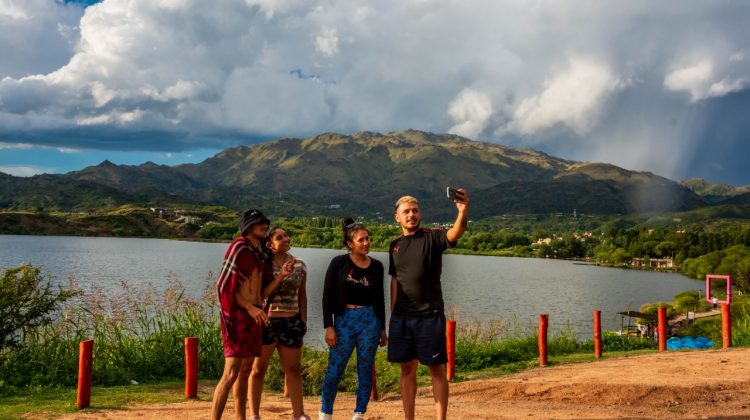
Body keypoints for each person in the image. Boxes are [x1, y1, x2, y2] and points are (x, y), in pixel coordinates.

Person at [387, 190, 469, 420]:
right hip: (402, 318)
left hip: (429, 317)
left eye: (415, 210)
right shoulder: (394, 245)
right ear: (397, 217)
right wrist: (393, 314)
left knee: (436, 370)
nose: (411, 215)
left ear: (420, 213)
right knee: (406, 369)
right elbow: (395, 280)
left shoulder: (432, 237)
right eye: (406, 212)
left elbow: (455, 233)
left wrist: (462, 212)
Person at [211, 209, 295, 420]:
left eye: (265, 223)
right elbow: (225, 287)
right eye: (260, 224)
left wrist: (281, 276)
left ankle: (241, 417)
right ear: (249, 226)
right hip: (237, 317)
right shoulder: (238, 248)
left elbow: (262, 292)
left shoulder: (259, 254)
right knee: (230, 373)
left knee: (246, 370)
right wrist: (249, 307)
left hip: (255, 317)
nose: (264, 226)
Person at [319, 219, 387, 420]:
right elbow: (327, 296)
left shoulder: (377, 266)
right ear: (350, 243)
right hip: (344, 321)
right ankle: (325, 412)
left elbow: (380, 298)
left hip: (369, 322)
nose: (366, 243)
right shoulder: (338, 263)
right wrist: (328, 326)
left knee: (365, 369)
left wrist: (382, 328)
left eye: (367, 238)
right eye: (361, 240)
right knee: (335, 369)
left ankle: (359, 413)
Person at [249, 227, 310, 420]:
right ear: (270, 245)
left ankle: (298, 414)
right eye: (279, 237)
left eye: (286, 235)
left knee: (293, 370)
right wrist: (280, 276)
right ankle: (254, 414)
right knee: (258, 369)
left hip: (291, 322)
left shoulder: (300, 265)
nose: (285, 238)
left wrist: (303, 321)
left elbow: (302, 295)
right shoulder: (263, 265)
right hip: (267, 321)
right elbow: (260, 295)